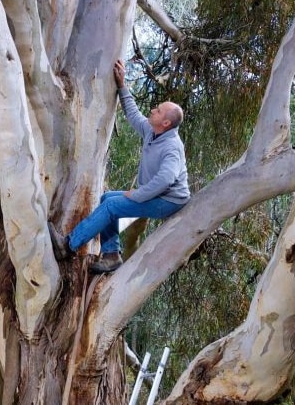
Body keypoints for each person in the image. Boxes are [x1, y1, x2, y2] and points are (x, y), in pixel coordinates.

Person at [49, 59, 190, 274]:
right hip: (155, 194)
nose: (153, 110)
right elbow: (134, 115)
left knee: (112, 207)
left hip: (168, 201)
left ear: (166, 124)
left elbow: (165, 180)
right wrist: (122, 86)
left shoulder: (171, 147)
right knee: (107, 199)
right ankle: (112, 255)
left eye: (158, 111)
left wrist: (138, 195)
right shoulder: (152, 132)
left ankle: (68, 246)